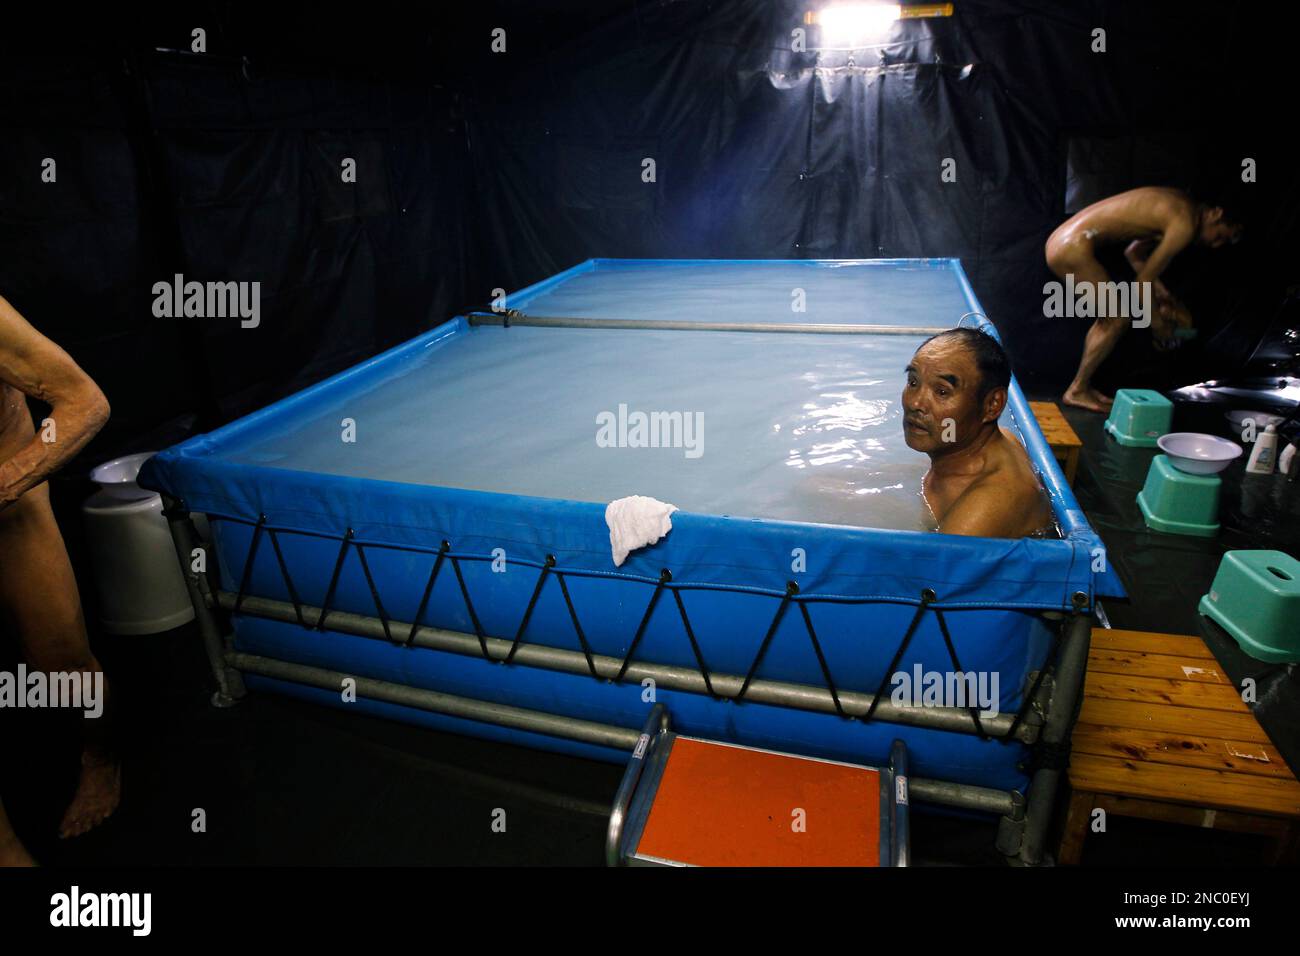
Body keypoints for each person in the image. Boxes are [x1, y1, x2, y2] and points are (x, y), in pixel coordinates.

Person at [0, 294, 117, 866]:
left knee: (62, 663)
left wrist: (7, 481)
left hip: (10, 502)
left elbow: (83, 402)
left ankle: (101, 758)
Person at [1046, 186, 1243, 412]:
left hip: (1064, 240)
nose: (1215, 245)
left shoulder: (1179, 204)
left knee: (1113, 317)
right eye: (1219, 236)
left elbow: (1134, 253)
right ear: (1216, 214)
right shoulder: (1185, 224)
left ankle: (1082, 387)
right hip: (1070, 246)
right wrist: (1158, 325)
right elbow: (1142, 283)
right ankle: (1077, 390)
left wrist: (1161, 291)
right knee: (1116, 319)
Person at [902, 328, 1052, 538]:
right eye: (913, 382)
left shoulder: (985, 509)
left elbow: (928, 568)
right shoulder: (994, 440)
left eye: (942, 392)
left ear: (992, 405)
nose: (915, 403)